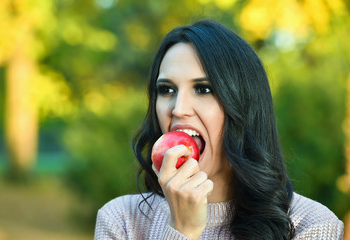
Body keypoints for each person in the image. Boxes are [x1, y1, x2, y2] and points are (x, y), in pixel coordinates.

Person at [94, 20, 344, 240]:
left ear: (243, 106)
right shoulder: (122, 220)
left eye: (203, 89)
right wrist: (181, 230)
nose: (178, 109)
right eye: (167, 90)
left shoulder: (310, 225)